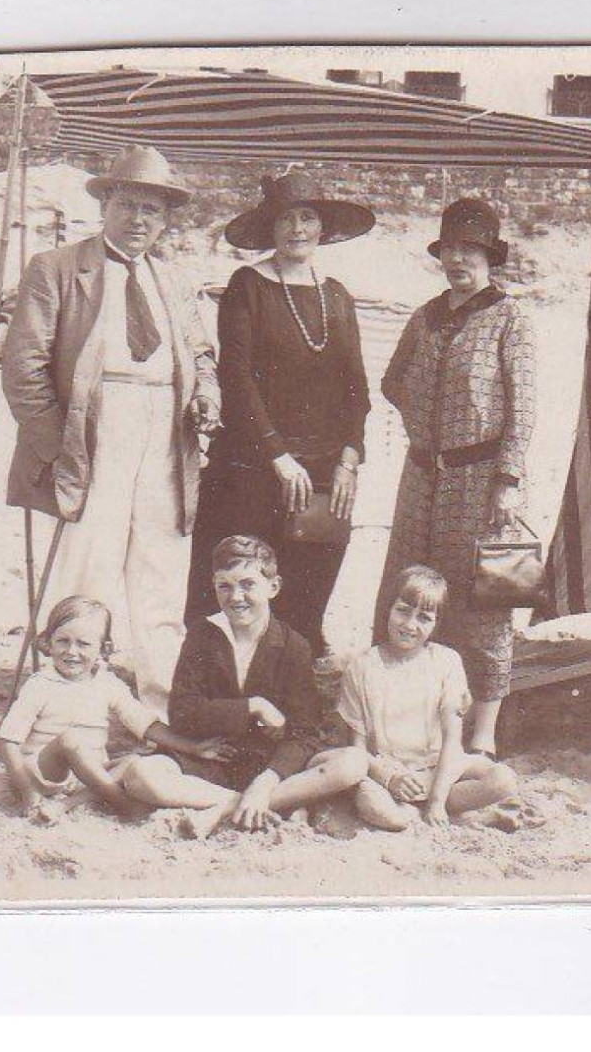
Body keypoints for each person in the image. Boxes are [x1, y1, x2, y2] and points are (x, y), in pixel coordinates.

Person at [1, 145, 221, 716]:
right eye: (128, 205)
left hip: (167, 434)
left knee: (161, 567)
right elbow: (22, 366)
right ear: (105, 206)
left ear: (166, 218)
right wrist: (59, 446)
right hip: (94, 430)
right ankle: (72, 698)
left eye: (152, 209)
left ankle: (162, 702)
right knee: (88, 563)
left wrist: (205, 398)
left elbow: (201, 355)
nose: (139, 219)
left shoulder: (174, 280)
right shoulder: (58, 269)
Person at [185, 172, 374, 661]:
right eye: (286, 218)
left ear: (321, 228)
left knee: (308, 587)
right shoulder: (246, 286)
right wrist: (279, 457)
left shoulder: (337, 294)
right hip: (253, 463)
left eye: (307, 217)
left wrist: (349, 459)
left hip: (324, 470)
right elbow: (237, 379)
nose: (298, 228)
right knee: (243, 582)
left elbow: (357, 387)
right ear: (270, 228)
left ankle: (295, 684)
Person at [375, 199, 537, 759]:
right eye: (449, 250)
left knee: (482, 600)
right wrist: (429, 425)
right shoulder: (425, 315)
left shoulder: (510, 318)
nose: (457, 259)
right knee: (412, 589)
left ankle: (484, 735)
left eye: (469, 250)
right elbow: (393, 381)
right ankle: (413, 715)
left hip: (482, 479)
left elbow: (525, 405)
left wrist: (508, 477)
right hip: (421, 476)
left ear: (490, 258)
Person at [123, 535, 369, 838]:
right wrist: (253, 706)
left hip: (270, 766)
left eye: (247, 584)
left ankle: (229, 808)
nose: (236, 597)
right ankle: (250, 804)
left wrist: (266, 781)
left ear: (273, 587)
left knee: (352, 763)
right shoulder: (203, 634)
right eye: (224, 585)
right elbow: (183, 711)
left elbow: (304, 732)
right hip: (211, 760)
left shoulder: (294, 646)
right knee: (139, 775)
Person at [0, 596, 235, 824]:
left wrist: (192, 747)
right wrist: (28, 792)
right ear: (48, 642)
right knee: (71, 740)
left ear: (104, 649)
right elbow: (7, 741)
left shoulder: (107, 683)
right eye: (63, 641)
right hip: (45, 772)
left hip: (90, 775)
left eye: (84, 644)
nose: (71, 652)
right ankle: (123, 803)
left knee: (135, 762)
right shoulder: (41, 684)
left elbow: (144, 723)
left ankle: (69, 804)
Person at [344, 566, 517, 830]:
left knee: (503, 780)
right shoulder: (362, 665)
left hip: (441, 769)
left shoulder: (446, 661)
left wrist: (436, 799)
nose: (410, 625)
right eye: (402, 610)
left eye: (424, 618)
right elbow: (357, 748)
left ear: (436, 623)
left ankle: (434, 809)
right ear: (388, 609)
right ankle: (459, 817)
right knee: (379, 810)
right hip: (388, 771)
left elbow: (452, 739)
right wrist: (389, 778)